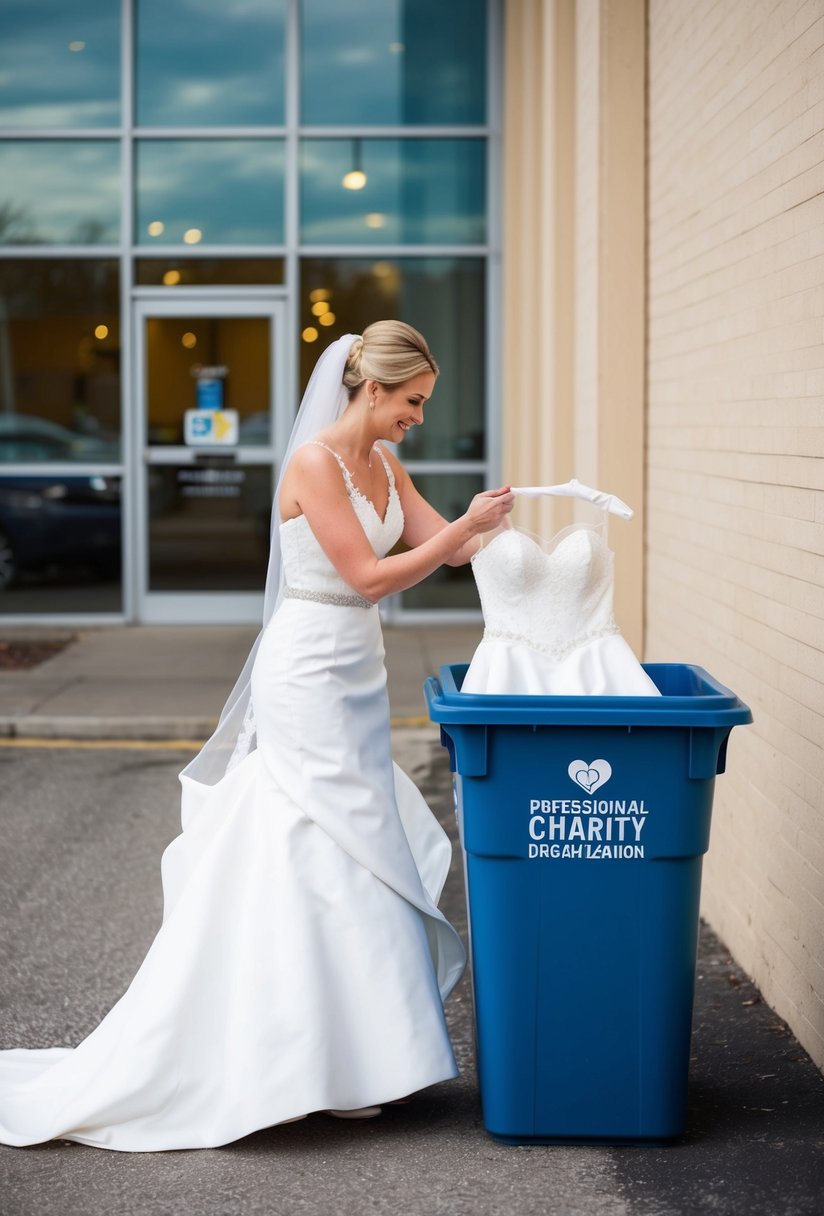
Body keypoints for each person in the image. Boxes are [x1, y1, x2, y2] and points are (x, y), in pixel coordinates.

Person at [0, 321, 514, 1151]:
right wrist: (458, 535)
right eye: (412, 402)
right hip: (307, 666)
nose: (418, 416)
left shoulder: (385, 464)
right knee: (309, 834)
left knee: (359, 839)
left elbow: (441, 549)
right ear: (372, 390)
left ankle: (353, 1059)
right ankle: (290, 1056)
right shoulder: (313, 463)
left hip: (359, 673)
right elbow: (369, 577)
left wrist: (495, 525)